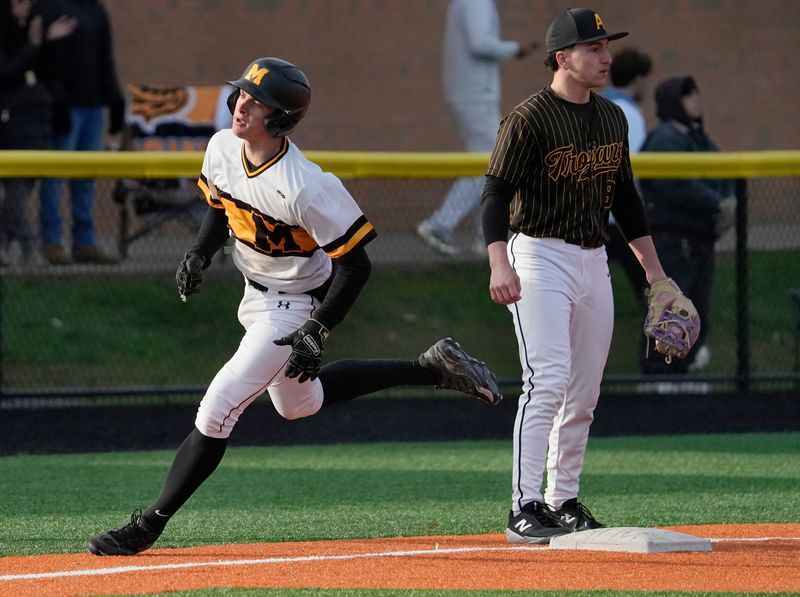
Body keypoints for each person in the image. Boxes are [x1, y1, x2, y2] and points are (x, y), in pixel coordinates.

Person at [86, 57, 503, 556]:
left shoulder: (307, 184)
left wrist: (317, 326)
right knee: (298, 404)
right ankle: (432, 368)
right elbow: (221, 205)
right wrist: (198, 252)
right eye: (242, 94)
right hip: (256, 294)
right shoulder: (222, 147)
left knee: (218, 408)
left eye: (258, 102)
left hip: (294, 305)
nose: (243, 104)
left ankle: (149, 524)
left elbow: (356, 266)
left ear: (281, 119)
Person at [481, 8, 681, 543]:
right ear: (562, 57)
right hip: (538, 254)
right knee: (545, 380)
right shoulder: (528, 118)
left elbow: (627, 200)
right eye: (593, 48)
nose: (606, 56)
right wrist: (499, 259)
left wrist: (656, 276)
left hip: (593, 259)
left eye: (605, 46)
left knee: (584, 392)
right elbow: (495, 193)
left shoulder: (612, 118)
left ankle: (561, 498)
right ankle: (522, 505)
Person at [416, 0, 535, 257]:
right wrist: (515, 48)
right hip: (474, 94)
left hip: (471, 93)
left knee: (490, 162)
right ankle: (442, 225)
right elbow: (480, 43)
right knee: (491, 162)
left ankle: (483, 236)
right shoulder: (476, 2)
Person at [639, 75, 734, 374]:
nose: (696, 98)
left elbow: (725, 173)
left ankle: (683, 370)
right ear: (672, 101)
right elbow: (676, 184)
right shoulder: (665, 138)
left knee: (696, 311)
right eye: (687, 94)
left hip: (699, 240)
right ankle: (660, 375)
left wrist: (727, 204)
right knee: (671, 312)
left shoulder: (697, 137)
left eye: (696, 92)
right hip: (672, 242)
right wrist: (715, 203)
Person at [36, 0, 124, 265]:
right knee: (55, 178)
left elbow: (105, 59)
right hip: (64, 108)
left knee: (86, 178)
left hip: (92, 106)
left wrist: (114, 100)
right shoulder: (47, 7)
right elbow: (40, 60)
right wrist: (55, 100)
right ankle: (51, 242)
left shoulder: (95, 10)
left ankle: (84, 243)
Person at [0, 0, 75, 266]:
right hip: (12, 124)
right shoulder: (12, 35)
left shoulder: (30, 30)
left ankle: (4, 245)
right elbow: (7, 71)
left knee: (21, 191)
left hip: (38, 121)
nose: (25, 6)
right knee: (16, 193)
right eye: (19, 2)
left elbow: (45, 71)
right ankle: (30, 247)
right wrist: (33, 44)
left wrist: (48, 41)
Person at [601, 47, 652, 308]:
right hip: (619, 217)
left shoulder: (598, 106)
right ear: (637, 78)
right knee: (649, 284)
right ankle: (665, 340)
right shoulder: (629, 113)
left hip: (595, 213)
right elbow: (632, 169)